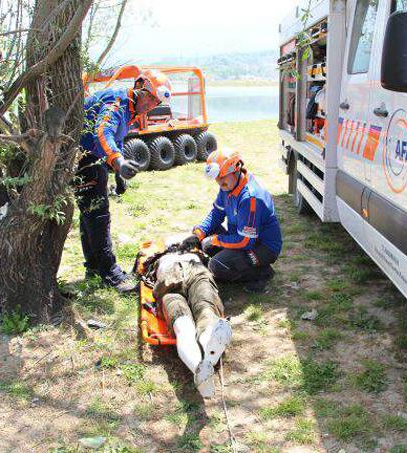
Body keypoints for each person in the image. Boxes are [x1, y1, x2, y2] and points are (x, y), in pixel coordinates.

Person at [76, 70, 172, 292]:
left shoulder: (131, 109)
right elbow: (103, 132)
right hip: (83, 160)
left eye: (156, 102)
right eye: (150, 98)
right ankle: (111, 275)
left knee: (90, 216)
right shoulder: (117, 101)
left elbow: (115, 140)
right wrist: (119, 163)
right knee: (98, 216)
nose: (151, 105)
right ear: (139, 87)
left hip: (91, 159)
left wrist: (117, 172)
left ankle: (93, 267)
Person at [181, 148, 282, 293]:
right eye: (217, 178)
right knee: (205, 237)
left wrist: (216, 240)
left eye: (223, 177)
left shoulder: (250, 198)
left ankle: (263, 273)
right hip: (243, 237)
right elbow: (216, 213)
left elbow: (246, 241)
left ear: (235, 169)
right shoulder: (227, 187)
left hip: (262, 247)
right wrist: (198, 234)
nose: (219, 182)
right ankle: (235, 262)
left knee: (216, 265)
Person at [143, 245, 232, 398]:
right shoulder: (194, 250)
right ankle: (208, 350)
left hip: (168, 278)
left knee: (182, 325)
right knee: (206, 309)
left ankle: (199, 367)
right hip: (195, 271)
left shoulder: (159, 257)